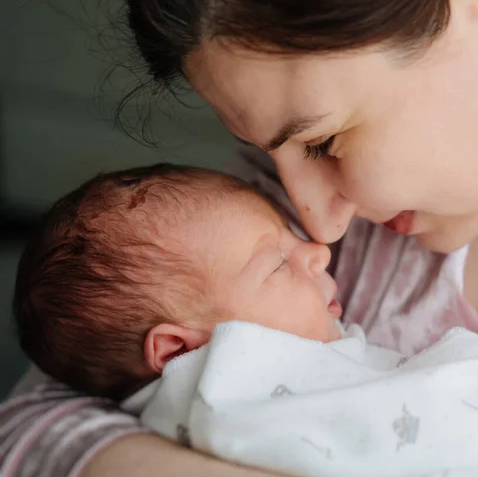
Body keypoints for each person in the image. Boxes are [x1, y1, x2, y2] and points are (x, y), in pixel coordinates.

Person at [3, 0, 478, 477]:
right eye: (264, 152)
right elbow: (30, 445)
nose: (319, 227)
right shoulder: (249, 222)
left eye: (324, 141)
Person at [13, 163, 341, 400]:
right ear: (179, 352)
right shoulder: (247, 422)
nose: (319, 251)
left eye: (288, 230)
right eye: (277, 265)